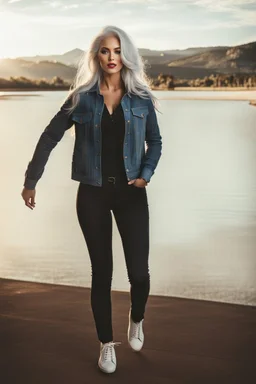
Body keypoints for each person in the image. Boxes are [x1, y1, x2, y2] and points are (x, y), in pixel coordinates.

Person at [21, 25, 162, 374]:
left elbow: (155, 142)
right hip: (93, 195)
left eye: (117, 51)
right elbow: (50, 135)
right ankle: (105, 344)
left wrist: (146, 173)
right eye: (104, 51)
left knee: (139, 275)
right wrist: (31, 180)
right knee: (102, 273)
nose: (111, 57)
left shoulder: (141, 97)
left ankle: (137, 317)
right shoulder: (82, 97)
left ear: (125, 54)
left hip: (131, 193)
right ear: (96, 55)